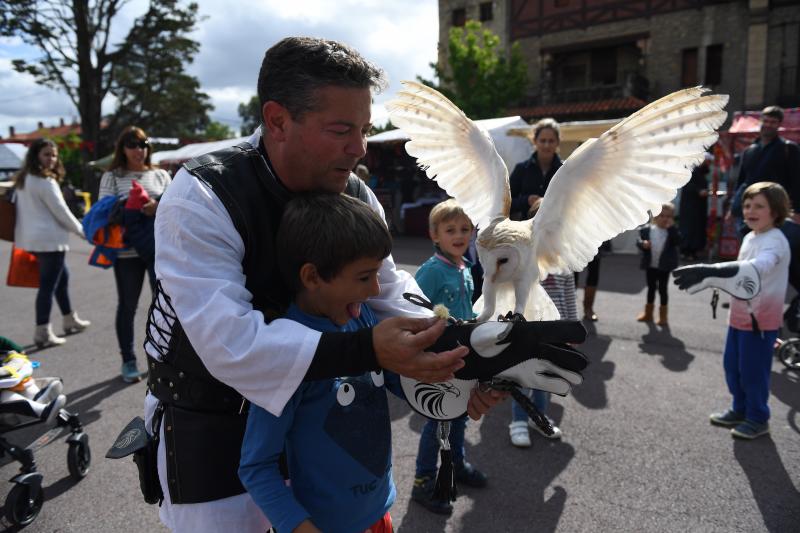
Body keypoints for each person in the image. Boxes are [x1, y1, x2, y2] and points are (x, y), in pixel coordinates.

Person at [140, 37, 531, 533]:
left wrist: (460, 364)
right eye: (342, 129)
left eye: (365, 130)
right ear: (278, 120)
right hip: (215, 425)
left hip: (325, 429)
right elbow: (230, 344)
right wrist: (370, 350)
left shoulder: (357, 192)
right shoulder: (200, 197)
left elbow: (389, 294)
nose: (360, 147)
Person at [240, 192, 403, 533]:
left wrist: (451, 391)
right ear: (312, 277)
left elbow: (393, 379)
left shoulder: (363, 317)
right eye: (364, 277)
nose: (376, 289)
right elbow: (256, 466)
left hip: (379, 513)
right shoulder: (285, 354)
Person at [675, 182, 791, 439]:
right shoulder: (751, 236)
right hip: (738, 318)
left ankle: (758, 417)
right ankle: (740, 409)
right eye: (748, 204)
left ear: (776, 211)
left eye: (759, 206)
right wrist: (711, 279)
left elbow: (758, 267)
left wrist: (710, 270)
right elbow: (739, 276)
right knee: (733, 367)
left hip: (761, 321)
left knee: (753, 372)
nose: (750, 210)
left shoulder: (775, 241)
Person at [410, 199, 486, 515]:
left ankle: (456, 461)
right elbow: (413, 308)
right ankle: (423, 479)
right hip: (440, 361)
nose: (459, 235)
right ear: (435, 235)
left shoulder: (464, 268)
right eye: (450, 229)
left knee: (460, 415)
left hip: (464, 359)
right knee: (440, 420)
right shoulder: (432, 271)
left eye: (465, 229)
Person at [98, 126, 171, 383]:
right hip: (127, 253)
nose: (138, 150)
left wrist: (158, 205)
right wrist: (136, 207)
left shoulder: (161, 174)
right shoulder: (113, 176)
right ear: (122, 148)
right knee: (128, 306)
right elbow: (104, 211)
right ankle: (128, 360)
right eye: (132, 145)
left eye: (143, 144)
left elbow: (175, 206)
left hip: (157, 250)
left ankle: (163, 357)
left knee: (163, 306)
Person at [13, 138, 90, 347]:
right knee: (48, 286)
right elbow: (62, 212)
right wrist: (83, 232)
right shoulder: (46, 182)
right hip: (50, 241)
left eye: (54, 155)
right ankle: (42, 331)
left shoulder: (24, 179)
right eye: (47, 154)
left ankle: (69, 319)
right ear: (36, 156)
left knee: (62, 278)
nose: (52, 159)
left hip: (33, 240)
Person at [508, 197, 573, 447]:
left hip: (552, 333)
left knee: (544, 379)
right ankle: (518, 422)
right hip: (527, 331)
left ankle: (539, 417)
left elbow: (568, 296)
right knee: (524, 379)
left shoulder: (564, 261)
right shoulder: (524, 257)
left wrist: (571, 328)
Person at [728, 106, 800, 234]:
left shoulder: (788, 149)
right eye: (765, 121)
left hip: (773, 212)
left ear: (779, 125)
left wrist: (796, 211)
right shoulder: (749, 151)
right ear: (760, 121)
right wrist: (732, 207)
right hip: (746, 213)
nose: (768, 125)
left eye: (773, 122)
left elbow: (796, 182)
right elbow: (741, 181)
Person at [636, 203, 680, 326]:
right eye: (661, 215)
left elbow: (678, 241)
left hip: (664, 266)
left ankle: (663, 316)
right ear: (655, 216)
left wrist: (672, 228)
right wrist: (643, 244)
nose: (665, 218)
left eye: (668, 216)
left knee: (662, 289)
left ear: (672, 218)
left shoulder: (671, 231)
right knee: (651, 288)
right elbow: (638, 241)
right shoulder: (647, 229)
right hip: (651, 265)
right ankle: (648, 313)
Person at [508, 118, 561, 221]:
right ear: (534, 141)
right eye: (543, 140)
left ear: (557, 142)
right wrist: (526, 200)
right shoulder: (521, 169)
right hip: (525, 229)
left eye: (551, 141)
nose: (547, 145)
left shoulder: (565, 170)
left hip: (556, 229)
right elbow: (506, 203)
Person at [679, 154, 711, 260]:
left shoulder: (700, 173)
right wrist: (699, 191)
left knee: (696, 229)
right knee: (690, 229)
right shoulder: (692, 172)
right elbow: (689, 186)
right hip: (690, 208)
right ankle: (687, 251)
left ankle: (693, 250)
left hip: (698, 207)